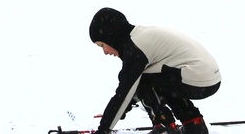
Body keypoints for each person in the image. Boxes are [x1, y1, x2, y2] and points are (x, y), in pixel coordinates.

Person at [89, 8, 221, 134]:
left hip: (196, 78)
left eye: (102, 45)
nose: (105, 52)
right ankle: (194, 125)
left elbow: (125, 92)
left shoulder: (135, 48)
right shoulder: (140, 36)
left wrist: (104, 128)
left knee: (143, 79)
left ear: (111, 37)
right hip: (209, 79)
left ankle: (163, 124)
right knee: (159, 81)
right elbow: (129, 93)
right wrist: (116, 113)